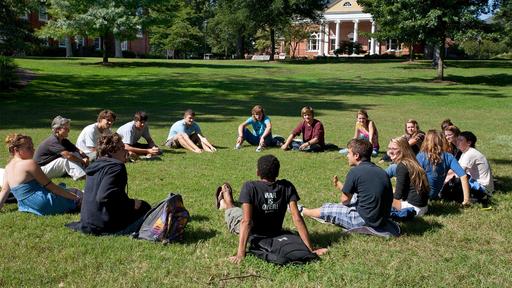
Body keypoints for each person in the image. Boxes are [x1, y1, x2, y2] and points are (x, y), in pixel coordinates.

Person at [215, 155, 327, 264]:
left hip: (251, 230)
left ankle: (227, 203)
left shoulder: (250, 187)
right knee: (238, 211)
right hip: (265, 228)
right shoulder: (287, 187)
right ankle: (226, 201)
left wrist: (240, 254)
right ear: (277, 173)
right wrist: (310, 248)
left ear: (257, 172)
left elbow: (246, 221)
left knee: (234, 213)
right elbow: (297, 218)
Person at [302, 139, 398, 233]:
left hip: (364, 220)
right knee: (356, 197)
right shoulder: (381, 171)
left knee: (329, 208)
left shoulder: (355, 172)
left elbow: (345, 200)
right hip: (382, 219)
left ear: (356, 156)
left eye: (349, 153)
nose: (347, 156)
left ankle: (303, 211)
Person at [72, 133, 151, 235]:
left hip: (87, 221)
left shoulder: (95, 165)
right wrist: (131, 203)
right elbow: (104, 196)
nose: (126, 150)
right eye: (122, 148)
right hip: (102, 224)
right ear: (111, 151)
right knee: (144, 207)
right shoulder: (116, 167)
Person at [0, 134, 81, 216]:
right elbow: (50, 186)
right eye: (29, 148)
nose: (33, 150)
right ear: (16, 150)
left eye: (32, 146)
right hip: (43, 203)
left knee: (67, 190)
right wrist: (74, 197)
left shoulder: (7, 167)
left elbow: (4, 191)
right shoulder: (29, 163)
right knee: (75, 192)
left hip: (27, 206)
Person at [416, 130, 471, 205]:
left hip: (420, 195)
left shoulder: (420, 156)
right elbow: (463, 176)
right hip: (433, 195)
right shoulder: (448, 157)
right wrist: (466, 200)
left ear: (426, 141)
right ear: (442, 141)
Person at [34, 116, 89, 180]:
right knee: (65, 159)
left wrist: (85, 157)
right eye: (66, 128)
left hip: (49, 167)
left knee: (75, 154)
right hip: (40, 171)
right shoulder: (53, 141)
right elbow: (68, 156)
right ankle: (82, 176)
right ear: (57, 129)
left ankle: (87, 171)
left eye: (69, 128)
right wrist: (82, 161)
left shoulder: (63, 140)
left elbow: (77, 150)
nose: (69, 130)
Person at [445, 131, 494, 203]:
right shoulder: (465, 152)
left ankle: (473, 199)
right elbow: (454, 170)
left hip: (482, 189)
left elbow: (458, 173)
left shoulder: (470, 154)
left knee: (456, 182)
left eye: (461, 140)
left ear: (469, 143)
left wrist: (443, 181)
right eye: (457, 139)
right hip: (476, 183)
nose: (457, 141)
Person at [387, 137, 430, 216]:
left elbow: (397, 196)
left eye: (394, 148)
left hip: (411, 208)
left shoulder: (402, 166)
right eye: (389, 148)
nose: (390, 151)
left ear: (403, 149)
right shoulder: (412, 162)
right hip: (423, 207)